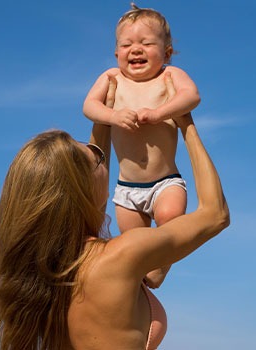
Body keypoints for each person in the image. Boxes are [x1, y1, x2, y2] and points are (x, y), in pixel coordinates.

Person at [0, 75, 229, 349]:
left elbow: (90, 181)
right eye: (97, 161)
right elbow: (215, 214)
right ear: (81, 191)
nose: (101, 159)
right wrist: (185, 123)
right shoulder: (122, 256)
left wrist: (106, 117)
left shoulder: (40, 276)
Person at [83, 3, 201, 288]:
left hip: (164, 183)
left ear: (167, 53)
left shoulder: (170, 76)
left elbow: (192, 96)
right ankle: (144, 283)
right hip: (127, 189)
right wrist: (113, 116)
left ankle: (161, 269)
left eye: (146, 43)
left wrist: (160, 113)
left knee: (171, 221)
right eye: (127, 45)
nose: (135, 49)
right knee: (133, 247)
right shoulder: (112, 78)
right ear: (116, 53)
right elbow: (89, 106)